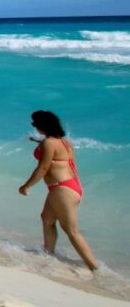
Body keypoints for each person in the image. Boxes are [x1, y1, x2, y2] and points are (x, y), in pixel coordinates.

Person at [19, 110, 98, 270]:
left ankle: (95, 269)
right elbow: (70, 165)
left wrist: (27, 185)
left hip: (61, 189)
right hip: (71, 186)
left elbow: (43, 168)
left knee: (71, 231)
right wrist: (79, 190)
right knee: (47, 219)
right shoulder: (64, 142)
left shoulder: (48, 143)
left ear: (42, 125)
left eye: (35, 124)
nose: (34, 126)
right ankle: (48, 254)